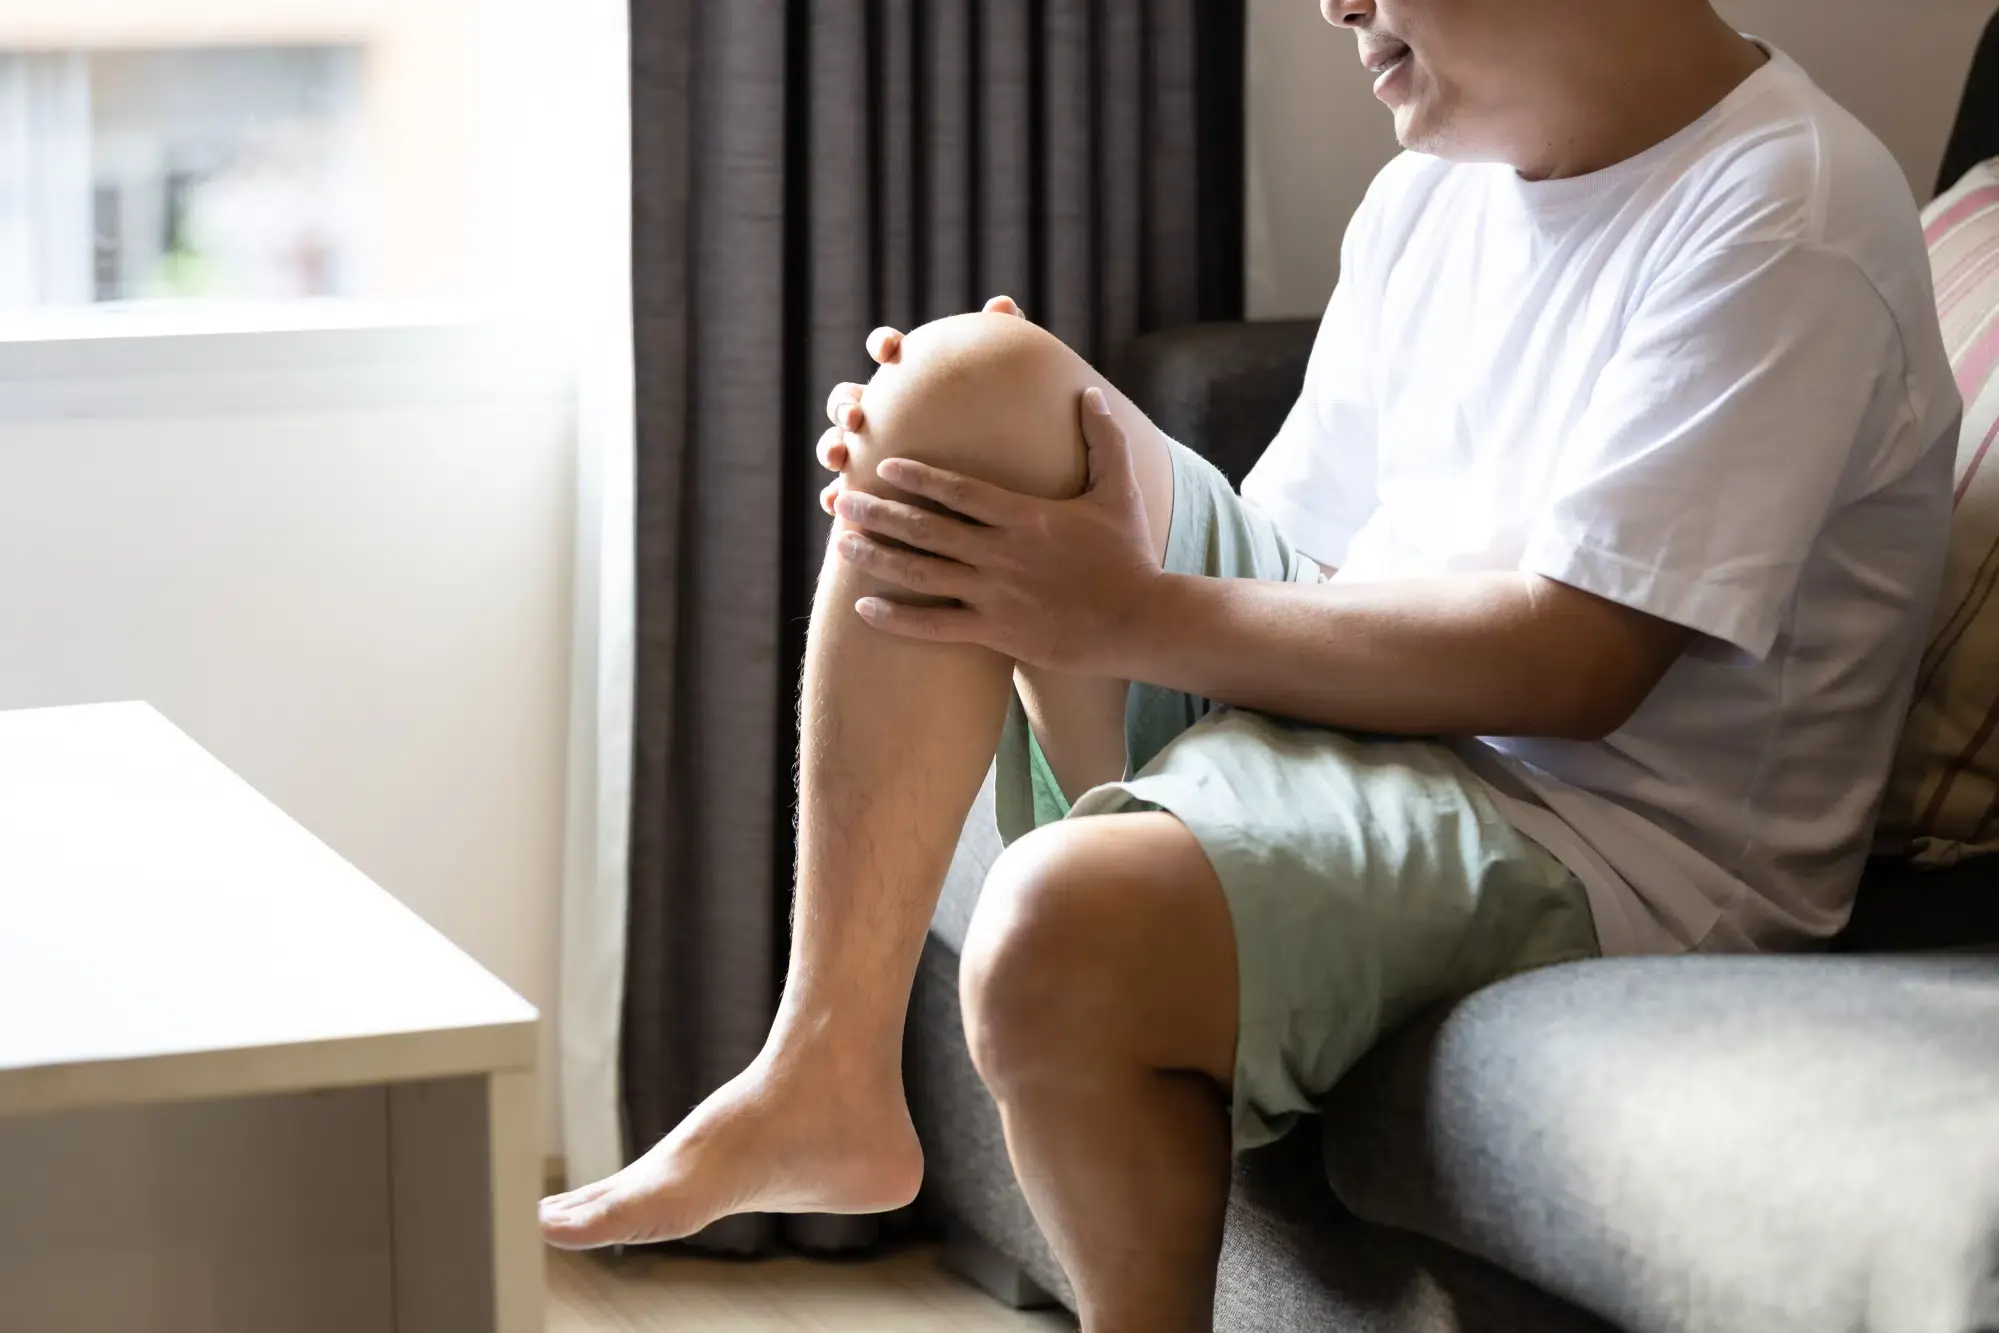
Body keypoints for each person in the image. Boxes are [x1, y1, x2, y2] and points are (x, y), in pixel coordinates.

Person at [540, 0, 1961, 1328]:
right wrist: (969, 478)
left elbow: (1576, 663)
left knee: (1058, 922)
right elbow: (1301, 554)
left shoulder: (1787, 208)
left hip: (1597, 832)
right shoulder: (1432, 194)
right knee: (966, 390)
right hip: (1387, 719)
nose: (1334, 2)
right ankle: (824, 1071)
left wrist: (1107, 615)